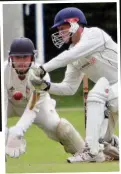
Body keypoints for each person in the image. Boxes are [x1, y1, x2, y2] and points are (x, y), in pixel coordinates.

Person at [30, 7, 119, 163]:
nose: (60, 33)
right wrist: (46, 86)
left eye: (62, 28)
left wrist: (43, 68)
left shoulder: (95, 35)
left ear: (75, 23)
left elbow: (71, 55)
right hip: (113, 93)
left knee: (96, 96)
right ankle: (110, 144)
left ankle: (90, 151)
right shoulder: (74, 56)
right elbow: (69, 88)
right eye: (58, 29)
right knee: (102, 143)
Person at [5, 37, 86, 159]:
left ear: (32, 57)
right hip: (9, 104)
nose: (21, 61)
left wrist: (19, 129)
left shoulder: (41, 76)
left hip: (37, 106)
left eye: (25, 57)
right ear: (11, 58)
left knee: (61, 129)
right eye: (18, 57)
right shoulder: (3, 72)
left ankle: (87, 152)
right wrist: (5, 134)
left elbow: (32, 107)